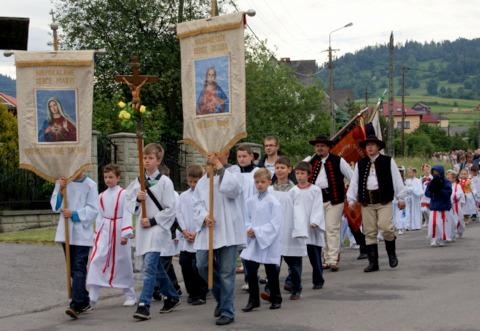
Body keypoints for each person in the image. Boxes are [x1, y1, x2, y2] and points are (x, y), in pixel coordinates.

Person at [126, 143, 180, 321]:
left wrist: (153, 220)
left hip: (157, 229)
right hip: (143, 230)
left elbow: (171, 209)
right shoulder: (139, 181)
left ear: (158, 160)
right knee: (156, 268)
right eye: (145, 158)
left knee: (149, 267)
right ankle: (172, 296)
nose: (147, 161)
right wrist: (137, 198)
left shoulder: (165, 182)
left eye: (150, 158)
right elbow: (130, 206)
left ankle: (144, 305)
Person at [193, 151, 245, 326]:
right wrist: (203, 216)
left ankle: (227, 311)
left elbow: (234, 190)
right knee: (201, 265)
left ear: (226, 153)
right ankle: (221, 299)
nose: (211, 156)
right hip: (208, 229)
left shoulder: (234, 172)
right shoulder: (202, 181)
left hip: (227, 230)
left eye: (217, 153)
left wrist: (219, 167)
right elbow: (197, 204)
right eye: (209, 154)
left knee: (226, 272)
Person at [346, 135, 407, 272]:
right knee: (369, 232)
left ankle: (391, 254)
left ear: (378, 147)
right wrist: (351, 199)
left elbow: (397, 179)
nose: (370, 147)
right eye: (367, 145)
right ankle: (373, 263)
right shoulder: (360, 163)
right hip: (367, 203)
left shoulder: (388, 161)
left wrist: (401, 197)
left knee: (386, 228)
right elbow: (355, 182)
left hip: (384, 201)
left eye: (372, 145)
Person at [86, 164, 136, 308]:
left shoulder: (124, 194)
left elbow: (127, 213)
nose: (108, 180)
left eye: (111, 177)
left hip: (119, 230)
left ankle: (130, 294)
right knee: (96, 260)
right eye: (106, 177)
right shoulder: (101, 196)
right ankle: (92, 296)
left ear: (118, 178)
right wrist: (97, 233)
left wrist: (125, 233)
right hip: (105, 232)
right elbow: (99, 216)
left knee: (123, 262)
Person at [51, 172, 99, 319]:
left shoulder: (90, 185)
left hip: (81, 234)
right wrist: (60, 190)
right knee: (72, 269)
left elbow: (93, 210)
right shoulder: (62, 182)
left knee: (78, 267)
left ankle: (76, 304)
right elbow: (55, 206)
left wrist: (74, 214)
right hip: (65, 233)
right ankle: (84, 300)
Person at [306, 135, 353, 271]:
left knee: (332, 228)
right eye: (317, 146)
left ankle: (332, 258)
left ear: (328, 147)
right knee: (322, 230)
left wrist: (350, 194)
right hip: (317, 200)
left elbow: (352, 176)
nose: (319, 148)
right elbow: (300, 174)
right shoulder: (311, 161)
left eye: (322, 146)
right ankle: (326, 258)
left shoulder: (338, 160)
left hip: (334, 199)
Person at [240, 168, 283, 312]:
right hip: (253, 240)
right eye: (257, 182)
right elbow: (246, 218)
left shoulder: (273, 202)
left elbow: (275, 223)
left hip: (268, 239)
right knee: (250, 269)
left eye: (263, 182)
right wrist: (249, 229)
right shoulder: (250, 201)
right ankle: (253, 299)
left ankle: (276, 297)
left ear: (269, 182)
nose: (259, 185)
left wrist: (258, 231)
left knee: (271, 269)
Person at [273, 156, 307, 296]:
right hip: (275, 231)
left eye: (282, 168)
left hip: (290, 230)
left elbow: (299, 212)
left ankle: (296, 287)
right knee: (274, 263)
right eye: (277, 168)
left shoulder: (295, 190)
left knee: (293, 263)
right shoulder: (270, 189)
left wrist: (298, 229)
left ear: (289, 169)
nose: (279, 170)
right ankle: (272, 290)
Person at [291, 161, 325, 296]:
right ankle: (293, 282)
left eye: (302, 173)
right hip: (299, 227)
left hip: (312, 228)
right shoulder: (293, 191)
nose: (299, 176)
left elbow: (318, 206)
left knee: (314, 255)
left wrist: (315, 221)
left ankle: (318, 279)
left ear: (309, 175)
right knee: (296, 255)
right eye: (297, 173)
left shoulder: (315, 190)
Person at [176, 164, 208, 306]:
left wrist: (197, 231)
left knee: (198, 266)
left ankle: (201, 292)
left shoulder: (205, 195)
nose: (193, 184)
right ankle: (191, 292)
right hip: (186, 236)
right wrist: (184, 231)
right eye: (191, 181)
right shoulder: (183, 196)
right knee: (185, 264)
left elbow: (204, 214)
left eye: (196, 181)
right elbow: (179, 214)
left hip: (199, 235)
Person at [425, 165, 453, 246]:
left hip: (443, 206)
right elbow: (427, 193)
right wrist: (433, 191)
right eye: (434, 172)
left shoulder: (446, 182)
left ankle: (441, 239)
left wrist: (440, 189)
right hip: (434, 206)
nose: (435, 174)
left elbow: (448, 194)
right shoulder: (431, 182)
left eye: (437, 172)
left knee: (442, 224)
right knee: (433, 223)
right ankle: (433, 239)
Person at [446, 169, 465, 239]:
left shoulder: (457, 186)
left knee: (460, 219)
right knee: (451, 220)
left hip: (456, 205)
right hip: (449, 206)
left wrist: (454, 197)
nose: (447, 179)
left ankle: (460, 231)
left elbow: (459, 194)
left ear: (454, 178)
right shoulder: (446, 186)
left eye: (449, 178)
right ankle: (452, 233)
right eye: (447, 178)